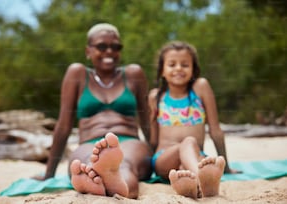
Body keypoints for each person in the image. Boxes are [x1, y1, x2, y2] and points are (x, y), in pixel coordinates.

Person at [34, 23, 153, 199]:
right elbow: (63, 126)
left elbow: (147, 123)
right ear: (88, 51)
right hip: (89, 142)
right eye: (101, 46)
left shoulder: (133, 74)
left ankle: (116, 183)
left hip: (128, 141)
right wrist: (48, 174)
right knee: (87, 162)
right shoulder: (77, 74)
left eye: (115, 47)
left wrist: (158, 159)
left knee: (125, 163)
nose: (109, 51)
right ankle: (101, 177)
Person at [148, 41, 240, 199]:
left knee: (187, 166)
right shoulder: (156, 96)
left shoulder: (201, 87)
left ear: (193, 69)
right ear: (162, 71)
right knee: (189, 141)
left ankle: (189, 186)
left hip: (196, 157)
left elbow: (215, 130)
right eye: (172, 64)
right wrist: (146, 168)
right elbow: (153, 139)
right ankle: (201, 179)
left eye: (185, 64)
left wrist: (227, 166)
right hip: (164, 158)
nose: (178, 68)